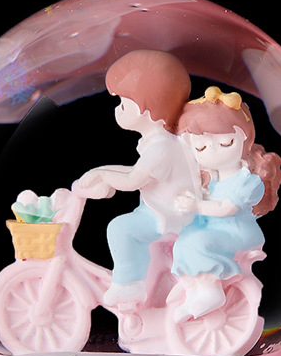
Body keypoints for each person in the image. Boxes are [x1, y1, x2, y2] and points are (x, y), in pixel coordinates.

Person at [77, 49, 202, 307]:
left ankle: (128, 286)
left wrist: (103, 175)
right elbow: (136, 172)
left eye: (124, 105)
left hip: (170, 215)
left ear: (149, 107)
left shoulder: (161, 148)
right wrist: (101, 173)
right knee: (129, 224)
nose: (118, 110)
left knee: (121, 228)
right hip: (161, 208)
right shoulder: (159, 143)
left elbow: (133, 180)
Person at [171, 86, 281, 321]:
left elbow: (226, 209)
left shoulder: (247, 181)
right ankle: (194, 291)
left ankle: (212, 293)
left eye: (225, 143)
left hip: (236, 232)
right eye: (200, 147)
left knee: (197, 243)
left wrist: (196, 205)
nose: (212, 151)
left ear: (245, 140)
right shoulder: (208, 179)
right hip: (210, 228)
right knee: (181, 243)